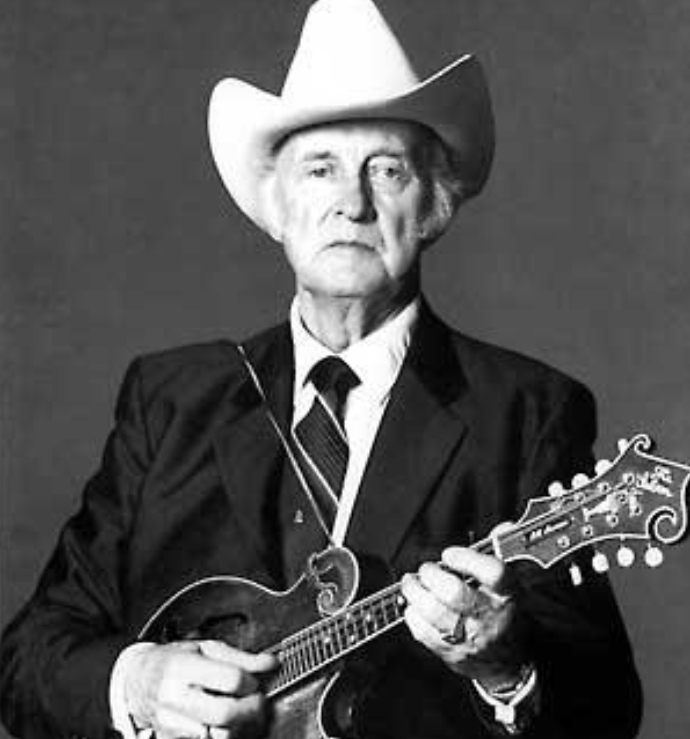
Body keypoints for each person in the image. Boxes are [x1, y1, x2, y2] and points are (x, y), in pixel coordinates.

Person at [0, 1, 642, 738]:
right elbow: (27, 662)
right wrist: (138, 683)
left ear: (433, 206)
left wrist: (507, 668)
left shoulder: (527, 411)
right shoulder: (171, 400)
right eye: (320, 169)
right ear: (276, 205)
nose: (351, 203)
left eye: (387, 171)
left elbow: (606, 711)